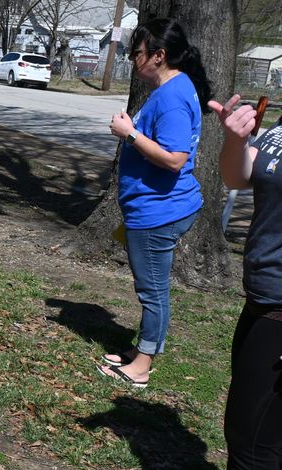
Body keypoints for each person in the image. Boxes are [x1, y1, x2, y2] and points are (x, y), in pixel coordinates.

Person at [169, 95, 282, 470]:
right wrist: (237, 139)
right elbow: (241, 178)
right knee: (250, 437)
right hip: (263, 303)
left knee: (255, 443)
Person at [98, 17, 212, 388]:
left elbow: (175, 158)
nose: (133, 59)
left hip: (158, 211)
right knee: (151, 287)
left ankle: (142, 365)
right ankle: (142, 350)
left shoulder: (174, 95)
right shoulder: (173, 89)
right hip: (152, 207)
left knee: (152, 290)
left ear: (159, 56)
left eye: (137, 53)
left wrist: (129, 134)